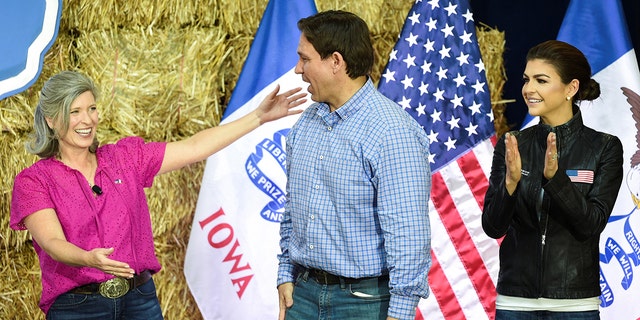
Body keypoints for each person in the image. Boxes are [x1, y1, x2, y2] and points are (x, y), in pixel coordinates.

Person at [10, 70, 306, 319]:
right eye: (74, 112)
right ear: (51, 119)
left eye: (91, 108)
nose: (87, 120)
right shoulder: (34, 181)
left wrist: (257, 118)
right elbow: (52, 242)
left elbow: (193, 148)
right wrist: (88, 258)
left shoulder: (124, 157)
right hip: (78, 306)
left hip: (139, 300)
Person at [276, 10, 432, 320]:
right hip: (302, 294)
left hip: (363, 303)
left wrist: (399, 313)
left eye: (305, 59)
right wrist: (285, 273)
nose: (297, 70)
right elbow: (293, 208)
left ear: (336, 61)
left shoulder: (393, 132)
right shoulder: (306, 124)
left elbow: (408, 233)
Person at [482, 40, 624, 320]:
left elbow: (591, 225)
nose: (528, 89)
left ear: (571, 88)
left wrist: (556, 179)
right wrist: (509, 184)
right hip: (515, 303)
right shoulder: (512, 143)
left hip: (575, 305)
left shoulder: (604, 147)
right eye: (526, 80)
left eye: (541, 80)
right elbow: (493, 227)